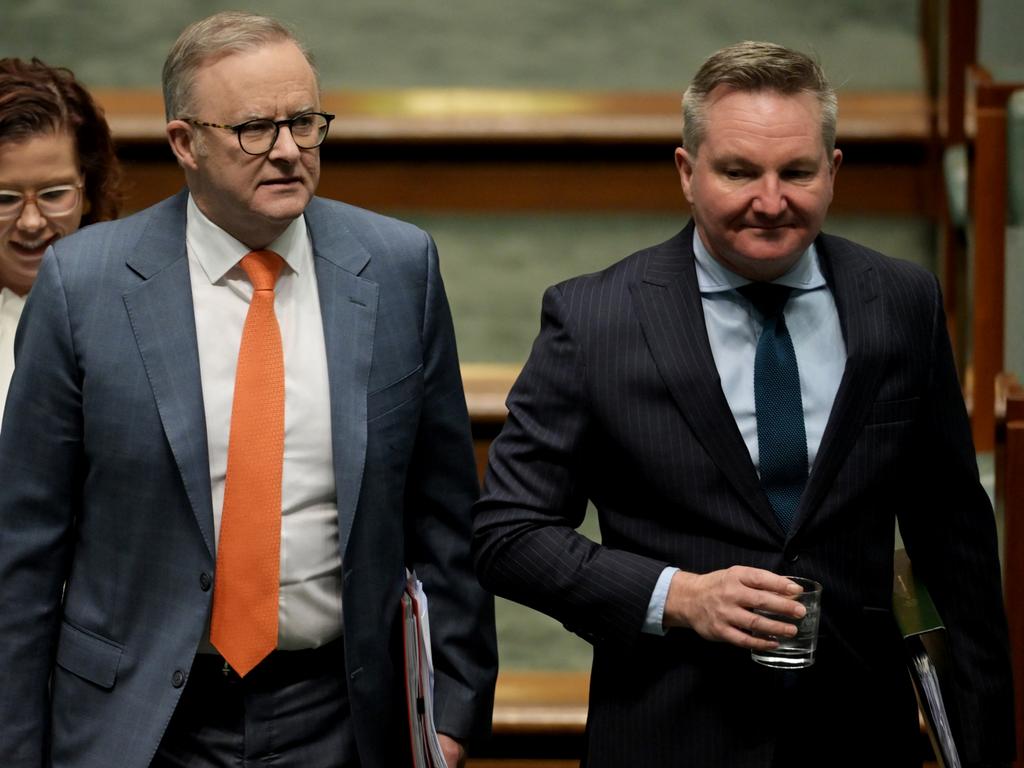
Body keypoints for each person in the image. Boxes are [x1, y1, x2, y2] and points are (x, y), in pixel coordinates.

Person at [473, 41, 1014, 768]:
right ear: (687, 173)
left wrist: (987, 746)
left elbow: (956, 543)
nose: (770, 201)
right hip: (670, 731)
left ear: (834, 171)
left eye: (796, 172)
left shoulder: (901, 303)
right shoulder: (594, 318)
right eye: (738, 172)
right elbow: (509, 533)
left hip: (857, 732)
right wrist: (680, 597)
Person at [0, 12, 496, 768]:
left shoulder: (398, 269)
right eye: (256, 129)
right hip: (138, 720)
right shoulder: (84, 284)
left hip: (342, 712)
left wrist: (453, 714)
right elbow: (25, 546)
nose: (290, 150)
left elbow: (446, 518)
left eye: (304, 122)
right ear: (183, 143)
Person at [0, 57, 120, 423]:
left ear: (87, 190)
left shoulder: (133, 305)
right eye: (5, 199)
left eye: (53, 194)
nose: (32, 222)